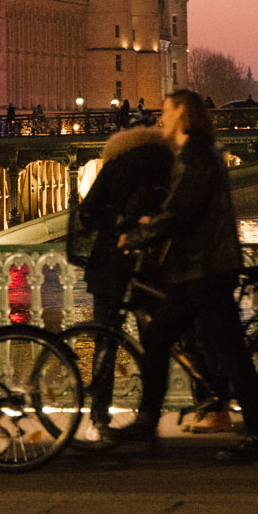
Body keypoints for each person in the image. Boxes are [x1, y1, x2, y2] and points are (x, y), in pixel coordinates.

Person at [110, 88, 258, 463]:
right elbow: (182, 210)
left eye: (165, 111)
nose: (160, 118)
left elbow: (180, 213)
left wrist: (136, 235)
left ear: (182, 113)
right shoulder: (194, 155)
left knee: (229, 353)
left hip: (207, 270)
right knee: (159, 335)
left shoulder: (197, 157)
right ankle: (148, 420)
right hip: (196, 269)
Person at [72, 126, 172, 431]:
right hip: (154, 263)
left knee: (106, 339)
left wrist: (112, 224)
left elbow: (86, 212)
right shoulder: (170, 164)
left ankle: (100, 413)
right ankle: (148, 414)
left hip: (112, 263)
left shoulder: (116, 164)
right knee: (155, 341)